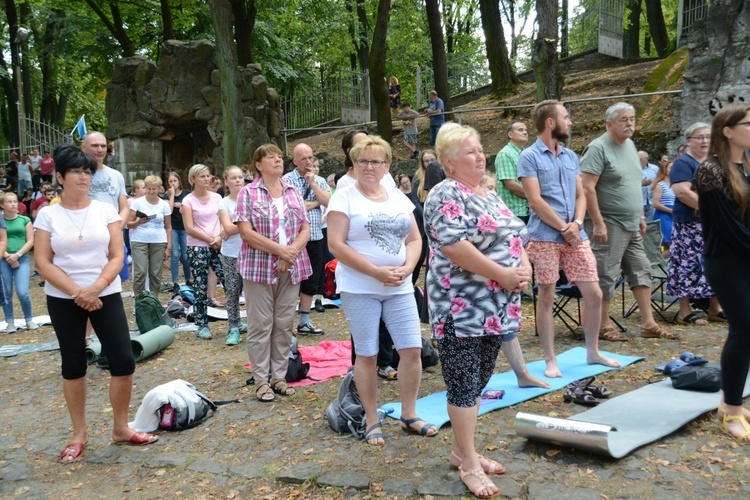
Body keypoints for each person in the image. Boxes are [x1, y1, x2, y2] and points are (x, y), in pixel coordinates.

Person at [424, 123, 549, 498]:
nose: (480, 156)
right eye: (470, 152)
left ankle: (463, 451)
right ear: (449, 162)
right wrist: (503, 274)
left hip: (495, 308)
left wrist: (524, 264)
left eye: (480, 150)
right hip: (460, 307)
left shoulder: (487, 193)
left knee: (478, 381)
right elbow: (454, 247)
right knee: (464, 385)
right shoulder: (445, 193)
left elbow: (514, 235)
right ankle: (470, 465)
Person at [34, 144, 158, 464]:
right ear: (60, 177)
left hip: (106, 292)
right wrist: (78, 292)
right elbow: (43, 262)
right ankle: (79, 434)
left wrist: (97, 288)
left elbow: (118, 255)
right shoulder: (48, 214)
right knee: (74, 364)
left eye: (88, 171)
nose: (83, 177)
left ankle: (120, 427)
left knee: (123, 359)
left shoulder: (105, 210)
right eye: (76, 171)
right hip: (64, 297)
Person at [328, 135, 436, 446]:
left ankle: (409, 413)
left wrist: (408, 268)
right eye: (363, 161)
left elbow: (415, 240)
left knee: (411, 349)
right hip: (360, 287)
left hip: (400, 286)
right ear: (354, 163)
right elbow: (336, 244)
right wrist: (374, 271)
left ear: (387, 165)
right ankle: (372, 418)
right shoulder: (344, 196)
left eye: (376, 161)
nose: (369, 166)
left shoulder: (398, 197)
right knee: (367, 354)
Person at [518, 100, 618, 378]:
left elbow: (580, 195)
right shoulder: (529, 157)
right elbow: (535, 201)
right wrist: (564, 227)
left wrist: (576, 223)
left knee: (594, 293)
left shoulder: (571, 156)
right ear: (551, 122)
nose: (570, 121)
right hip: (544, 237)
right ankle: (550, 360)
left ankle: (593, 351)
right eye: (565, 116)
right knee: (547, 295)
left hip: (575, 235)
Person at [580, 102, 677, 341]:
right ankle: (602, 326)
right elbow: (587, 188)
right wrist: (598, 222)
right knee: (606, 273)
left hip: (633, 222)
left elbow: (634, 183)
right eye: (623, 119)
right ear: (609, 123)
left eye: (632, 119)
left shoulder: (630, 145)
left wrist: (641, 216)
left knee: (641, 269)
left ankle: (648, 323)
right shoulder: (597, 148)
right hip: (608, 222)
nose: (629, 123)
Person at [235, 144, 311, 402]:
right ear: (258, 164)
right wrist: (281, 251)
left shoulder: (293, 191)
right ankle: (261, 380)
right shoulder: (248, 193)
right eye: (271, 157)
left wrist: (290, 253)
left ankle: (279, 377)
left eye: (280, 156)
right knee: (260, 325)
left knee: (284, 324)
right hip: (258, 268)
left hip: (292, 266)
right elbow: (246, 233)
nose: (278, 160)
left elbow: (305, 228)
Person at [695, 102, 750, 443]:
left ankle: (732, 403)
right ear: (728, 131)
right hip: (726, 260)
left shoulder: (747, 166)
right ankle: (730, 408)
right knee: (744, 330)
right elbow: (727, 228)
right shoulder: (710, 171)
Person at [668, 122, 725, 325]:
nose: (705, 141)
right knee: (687, 265)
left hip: (714, 224)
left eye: (709, 137)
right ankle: (685, 310)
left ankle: (714, 308)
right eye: (699, 137)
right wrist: (713, 210)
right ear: (688, 141)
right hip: (690, 224)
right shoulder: (683, 163)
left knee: (716, 263)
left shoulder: (716, 162)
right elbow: (683, 192)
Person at [83, 131, 130, 370]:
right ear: (83, 146)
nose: (100, 150)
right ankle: (89, 341)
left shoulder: (116, 175)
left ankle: (108, 347)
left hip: (113, 240)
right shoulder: (78, 175)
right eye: (95, 145)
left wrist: (115, 230)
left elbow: (124, 207)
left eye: (103, 146)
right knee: (89, 290)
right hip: (87, 242)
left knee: (111, 292)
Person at [283, 143, 331, 334]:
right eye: (303, 159)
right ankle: (286, 323)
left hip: (316, 235)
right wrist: (314, 203)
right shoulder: (286, 180)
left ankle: (304, 320)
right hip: (293, 238)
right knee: (291, 279)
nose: (308, 162)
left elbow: (329, 202)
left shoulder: (319, 180)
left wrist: (312, 183)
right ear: (295, 161)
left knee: (312, 279)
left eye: (310, 158)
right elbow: (291, 207)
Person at [181, 164, 225, 339]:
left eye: (208, 176)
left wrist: (219, 237)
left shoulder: (216, 198)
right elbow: (189, 228)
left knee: (229, 281)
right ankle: (202, 323)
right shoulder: (188, 201)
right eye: (202, 176)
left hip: (218, 243)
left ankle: (235, 322)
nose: (207, 179)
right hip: (198, 246)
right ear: (193, 180)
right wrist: (209, 240)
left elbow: (223, 219)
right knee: (200, 286)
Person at [218, 166, 247, 346]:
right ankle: (233, 327)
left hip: (251, 252)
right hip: (230, 254)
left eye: (240, 177)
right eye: (233, 178)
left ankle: (257, 325)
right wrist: (248, 225)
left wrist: (235, 227)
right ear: (226, 182)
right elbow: (227, 228)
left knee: (253, 292)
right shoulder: (224, 203)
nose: (237, 180)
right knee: (232, 290)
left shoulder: (250, 199)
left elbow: (231, 228)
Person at [128, 176, 171, 297]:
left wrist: (168, 247)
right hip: (139, 239)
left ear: (159, 189)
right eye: (149, 189)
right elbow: (129, 223)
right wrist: (139, 222)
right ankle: (139, 300)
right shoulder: (137, 203)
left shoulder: (164, 204)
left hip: (158, 240)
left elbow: (168, 227)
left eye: (154, 189)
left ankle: (154, 300)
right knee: (140, 271)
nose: (151, 192)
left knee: (155, 272)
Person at [1, 192, 36, 332]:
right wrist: (8, 256)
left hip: (22, 258)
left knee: (22, 292)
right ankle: (10, 321)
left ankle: (29, 319)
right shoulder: (0, 220)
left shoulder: (24, 220)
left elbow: (31, 240)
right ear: (2, 205)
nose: (13, 204)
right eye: (9, 202)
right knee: (7, 291)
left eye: (15, 201)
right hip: (4, 258)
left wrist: (17, 255)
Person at [495, 121, 530, 223]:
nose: (525, 132)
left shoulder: (526, 154)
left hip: (528, 210)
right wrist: (535, 195)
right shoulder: (505, 154)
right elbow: (511, 185)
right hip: (513, 212)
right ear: (510, 134)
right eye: (520, 130)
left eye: (526, 130)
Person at [166, 171, 192, 289]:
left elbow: (191, 207)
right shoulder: (167, 196)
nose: (173, 183)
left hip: (185, 227)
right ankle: (175, 282)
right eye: (170, 181)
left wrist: (181, 205)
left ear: (179, 181)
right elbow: (169, 210)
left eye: (175, 181)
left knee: (186, 256)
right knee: (175, 254)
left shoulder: (187, 194)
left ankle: (188, 279)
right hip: (173, 228)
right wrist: (171, 196)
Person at [651, 160, 675, 255]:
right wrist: (670, 211)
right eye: (670, 168)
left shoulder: (676, 184)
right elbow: (655, 204)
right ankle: (663, 262)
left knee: (675, 242)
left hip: (675, 215)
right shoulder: (660, 185)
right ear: (664, 170)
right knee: (668, 242)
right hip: (664, 216)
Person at [638, 151, 659, 221]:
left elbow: (660, 181)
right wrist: (642, 184)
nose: (638, 161)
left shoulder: (655, 168)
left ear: (646, 159)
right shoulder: (633, 169)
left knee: (652, 225)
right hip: (639, 202)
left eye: (640, 159)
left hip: (651, 201)